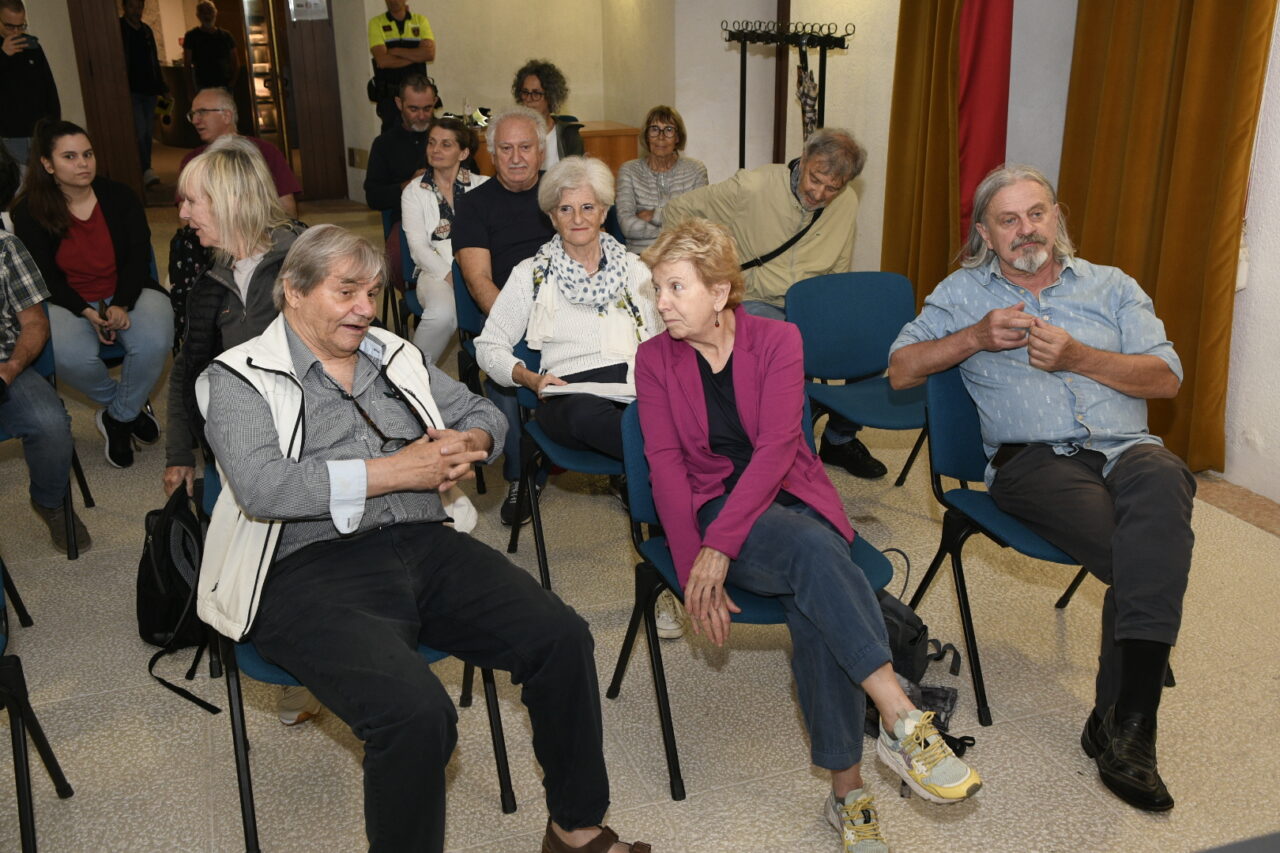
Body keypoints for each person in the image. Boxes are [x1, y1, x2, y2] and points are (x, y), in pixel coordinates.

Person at [196, 223, 651, 853]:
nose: (364, 308)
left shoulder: (391, 354)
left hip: (425, 543)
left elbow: (481, 410)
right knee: (415, 717)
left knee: (562, 638)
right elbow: (265, 488)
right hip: (305, 569)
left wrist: (474, 442)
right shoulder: (239, 377)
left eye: (372, 292)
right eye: (346, 291)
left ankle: (575, 828)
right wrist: (396, 472)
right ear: (294, 294)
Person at [637, 219, 981, 852]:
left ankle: (849, 794)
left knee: (811, 593)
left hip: (790, 493)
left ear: (720, 293)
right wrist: (695, 565)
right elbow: (663, 468)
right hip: (716, 507)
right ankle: (901, 720)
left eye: (675, 287)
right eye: (657, 287)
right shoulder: (655, 357)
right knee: (813, 554)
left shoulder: (778, 340)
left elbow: (774, 451)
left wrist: (720, 550)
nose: (660, 303)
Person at [888, 164, 1194, 813]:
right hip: (1035, 465)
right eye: (1008, 219)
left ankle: (1122, 719)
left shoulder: (1112, 287)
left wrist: (1080, 356)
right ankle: (1131, 722)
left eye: (1036, 213)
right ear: (985, 235)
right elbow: (899, 369)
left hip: (1126, 448)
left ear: (1056, 217)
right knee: (1147, 553)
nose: (1026, 229)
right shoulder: (965, 292)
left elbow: (1166, 377)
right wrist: (973, 337)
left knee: (1167, 479)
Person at [165, 135, 315, 725]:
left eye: (190, 202)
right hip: (239, 453)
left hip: (311, 442)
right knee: (246, 556)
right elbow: (187, 371)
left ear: (227, 200)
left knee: (309, 552)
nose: (182, 215)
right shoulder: (210, 284)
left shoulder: (308, 259)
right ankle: (291, 648)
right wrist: (179, 452)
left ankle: (315, 661)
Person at [663, 128, 887, 480]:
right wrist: (700, 273)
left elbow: (840, 264)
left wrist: (841, 313)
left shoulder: (846, 203)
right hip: (757, 298)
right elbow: (678, 210)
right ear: (805, 158)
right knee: (784, 353)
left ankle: (838, 440)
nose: (819, 193)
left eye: (833, 187)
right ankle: (797, 463)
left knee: (873, 342)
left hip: (813, 302)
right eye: (815, 179)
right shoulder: (752, 187)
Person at [476, 155, 660, 461]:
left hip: (632, 387)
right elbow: (487, 346)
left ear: (603, 212)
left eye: (587, 207)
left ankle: (665, 462)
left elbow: (661, 337)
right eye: (565, 209)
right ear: (551, 217)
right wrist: (528, 378)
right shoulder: (530, 273)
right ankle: (674, 460)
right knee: (588, 415)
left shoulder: (635, 268)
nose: (577, 219)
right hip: (568, 395)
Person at [12, 120, 173, 469]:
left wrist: (121, 303)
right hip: (64, 299)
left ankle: (118, 417)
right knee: (71, 357)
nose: (83, 163)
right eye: (69, 157)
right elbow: (44, 277)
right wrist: (86, 312)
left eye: (87, 154)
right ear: (47, 164)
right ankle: (125, 409)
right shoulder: (28, 211)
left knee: (157, 339)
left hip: (127, 289)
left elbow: (137, 257)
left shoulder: (120, 197)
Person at [453, 105, 555, 524]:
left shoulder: (562, 195)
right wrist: (524, 326)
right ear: (492, 155)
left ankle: (616, 464)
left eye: (525, 147)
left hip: (566, 311)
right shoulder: (475, 206)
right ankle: (519, 474)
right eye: (506, 148)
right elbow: (479, 283)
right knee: (503, 362)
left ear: (541, 153)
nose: (516, 157)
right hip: (508, 317)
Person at [0, 230, 89, 553]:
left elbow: (35, 323)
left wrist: (11, 368)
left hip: (6, 365)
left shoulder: (5, 246)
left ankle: (49, 501)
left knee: (51, 425)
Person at [400, 117, 487, 363]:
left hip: (481, 267)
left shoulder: (483, 187)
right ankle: (411, 375)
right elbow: (418, 248)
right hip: (435, 271)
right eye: (432, 143)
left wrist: (474, 276)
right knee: (442, 315)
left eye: (446, 144)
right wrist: (454, 278)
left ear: (464, 152)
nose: (435, 150)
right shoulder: (414, 191)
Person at [179, 87, 300, 217]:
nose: (195, 121)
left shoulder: (265, 152)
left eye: (202, 112)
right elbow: (185, 216)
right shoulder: (192, 160)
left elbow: (287, 210)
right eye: (193, 114)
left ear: (226, 116)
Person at [615, 105, 707, 253]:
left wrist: (654, 215)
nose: (661, 137)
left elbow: (698, 224)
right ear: (646, 135)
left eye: (669, 130)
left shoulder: (696, 170)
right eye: (654, 129)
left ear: (678, 137)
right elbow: (627, 227)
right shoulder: (629, 171)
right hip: (642, 256)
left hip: (683, 254)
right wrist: (678, 226)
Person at [364, 74, 438, 222]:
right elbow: (373, 198)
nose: (422, 116)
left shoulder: (450, 136)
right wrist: (408, 186)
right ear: (399, 103)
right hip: (405, 222)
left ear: (435, 102)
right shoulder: (384, 144)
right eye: (414, 109)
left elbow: (473, 181)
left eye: (427, 108)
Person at [0, 0, 59, 168]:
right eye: (10, 26)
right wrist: (3, 55)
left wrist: (54, 124)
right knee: (18, 184)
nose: (17, 32)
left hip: (39, 131)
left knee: (44, 182)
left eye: (21, 26)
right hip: (8, 135)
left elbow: (48, 87)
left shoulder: (32, 45)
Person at [119, 0, 167, 187]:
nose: (136, 10)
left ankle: (147, 168)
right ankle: (145, 169)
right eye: (132, 6)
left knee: (148, 132)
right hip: (131, 90)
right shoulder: (120, 29)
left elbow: (154, 60)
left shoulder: (146, 31)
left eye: (139, 7)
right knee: (139, 131)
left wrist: (163, 87)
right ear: (125, 7)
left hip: (150, 89)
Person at [368, 0, 435, 133]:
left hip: (418, 96)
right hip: (390, 99)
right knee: (391, 143)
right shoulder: (376, 23)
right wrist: (416, 56)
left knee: (425, 137)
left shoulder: (420, 20)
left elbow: (429, 54)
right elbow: (383, 61)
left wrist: (395, 51)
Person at [512, 59, 583, 169]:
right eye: (525, 92)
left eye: (536, 93)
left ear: (550, 97)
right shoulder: (513, 133)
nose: (529, 99)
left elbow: (576, 177)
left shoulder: (569, 135)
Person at [183, 1, 240, 91]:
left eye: (210, 11)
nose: (207, 16)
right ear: (198, 15)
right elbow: (187, 64)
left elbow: (235, 62)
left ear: (215, 13)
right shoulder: (191, 36)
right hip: (202, 86)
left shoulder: (226, 36)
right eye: (203, 12)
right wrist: (190, 89)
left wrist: (232, 84)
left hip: (224, 86)